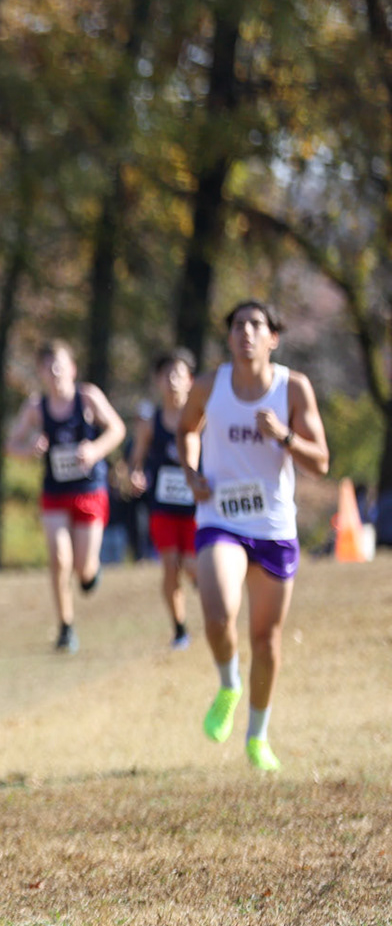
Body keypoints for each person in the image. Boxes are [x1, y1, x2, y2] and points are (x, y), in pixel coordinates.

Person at [178, 300, 329, 771]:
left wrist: (284, 436)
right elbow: (187, 429)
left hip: (273, 526)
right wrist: (191, 470)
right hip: (220, 519)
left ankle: (258, 736)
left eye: (256, 325)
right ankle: (229, 683)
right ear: (229, 338)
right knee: (219, 612)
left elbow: (321, 462)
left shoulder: (293, 388)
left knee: (266, 640)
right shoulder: (209, 385)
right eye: (238, 325)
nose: (246, 332)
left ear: (272, 338)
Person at [4, 340, 128, 653]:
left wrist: (95, 450)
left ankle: (90, 574)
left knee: (83, 569)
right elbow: (10, 446)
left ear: (72, 369)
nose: (55, 371)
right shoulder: (35, 408)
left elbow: (117, 429)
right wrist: (29, 449)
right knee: (59, 560)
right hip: (55, 493)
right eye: (48, 366)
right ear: (41, 373)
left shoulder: (88, 397)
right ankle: (65, 627)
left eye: (60, 364)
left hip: (89, 490)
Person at [124, 349, 200, 649]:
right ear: (157, 381)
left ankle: (211, 602)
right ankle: (180, 629)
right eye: (166, 375)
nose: (172, 381)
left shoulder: (202, 418)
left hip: (197, 507)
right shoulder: (150, 423)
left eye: (178, 374)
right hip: (163, 507)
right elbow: (135, 462)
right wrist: (135, 476)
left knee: (193, 566)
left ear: (190, 380)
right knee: (170, 565)